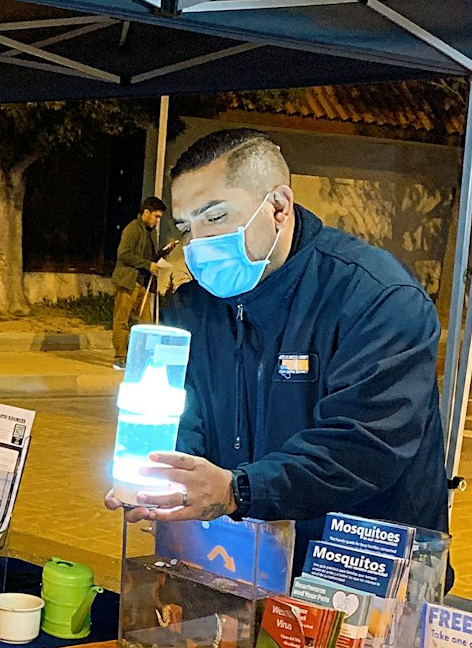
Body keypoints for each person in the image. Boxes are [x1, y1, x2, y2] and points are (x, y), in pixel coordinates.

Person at [111, 128, 446, 545]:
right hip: (232, 556)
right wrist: (164, 476)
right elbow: (182, 414)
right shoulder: (192, 307)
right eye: (186, 227)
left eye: (215, 217)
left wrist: (238, 491)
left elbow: (365, 446)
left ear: (279, 207)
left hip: (354, 569)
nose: (199, 243)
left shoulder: (377, 298)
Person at [111, 195, 176, 366]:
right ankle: (120, 358)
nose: (157, 220)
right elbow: (124, 254)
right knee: (122, 321)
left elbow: (149, 257)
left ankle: (142, 357)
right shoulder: (132, 229)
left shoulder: (151, 232)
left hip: (142, 284)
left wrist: (162, 254)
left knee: (146, 323)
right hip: (128, 281)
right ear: (146, 212)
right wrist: (148, 264)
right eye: (156, 216)